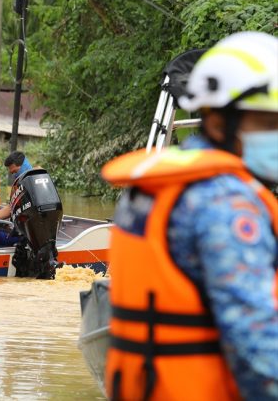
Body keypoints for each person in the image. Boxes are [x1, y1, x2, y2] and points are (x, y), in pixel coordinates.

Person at [102, 32, 277, 400]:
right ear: (217, 124)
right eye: (268, 123)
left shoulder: (156, 185)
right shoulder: (226, 203)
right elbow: (256, 343)